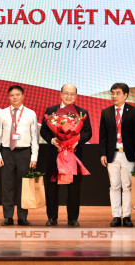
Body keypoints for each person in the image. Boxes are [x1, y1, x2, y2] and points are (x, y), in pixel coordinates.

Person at [40, 83, 92, 227]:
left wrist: (77, 141)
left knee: (74, 188)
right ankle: (52, 218)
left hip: (73, 155)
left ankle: (73, 219)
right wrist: (52, 140)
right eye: (66, 93)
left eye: (72, 94)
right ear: (61, 94)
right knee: (51, 187)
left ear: (76, 96)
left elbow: (88, 132)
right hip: (55, 154)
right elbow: (44, 131)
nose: (69, 96)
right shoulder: (51, 110)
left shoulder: (82, 112)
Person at [0, 85, 39, 226]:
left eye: (17, 95)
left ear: (23, 96)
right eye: (12, 95)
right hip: (7, 152)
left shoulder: (31, 114)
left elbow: (35, 138)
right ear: (8, 97)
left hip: (24, 153)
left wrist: (34, 157)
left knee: (23, 186)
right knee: (7, 186)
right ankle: (8, 216)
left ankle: (22, 216)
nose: (15, 97)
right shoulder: (2, 113)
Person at [99, 82, 135, 227]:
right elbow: (103, 136)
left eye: (118, 93)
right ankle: (116, 215)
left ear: (125, 95)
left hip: (128, 154)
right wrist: (103, 153)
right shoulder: (106, 112)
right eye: (112, 93)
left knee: (127, 186)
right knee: (114, 186)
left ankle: (127, 215)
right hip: (112, 154)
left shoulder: (134, 111)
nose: (114, 96)